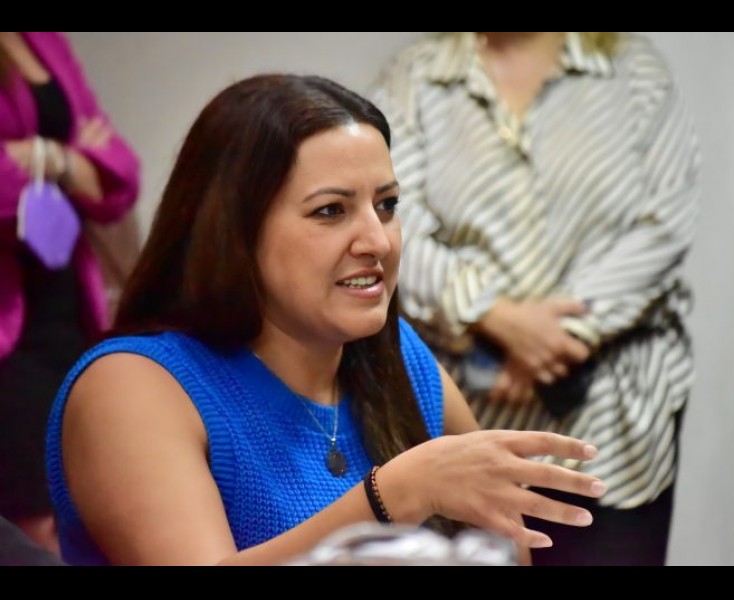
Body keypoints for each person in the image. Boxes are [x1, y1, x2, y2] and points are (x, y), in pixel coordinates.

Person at [44, 73, 607, 566]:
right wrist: (391, 497)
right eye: (331, 211)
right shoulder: (130, 387)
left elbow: (504, 551)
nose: (377, 240)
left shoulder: (401, 356)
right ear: (233, 232)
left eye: (386, 205)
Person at [370, 32, 700, 566]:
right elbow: (388, 217)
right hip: (469, 410)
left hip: (614, 417)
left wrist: (557, 338)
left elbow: (664, 225)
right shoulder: (413, 79)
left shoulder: (635, 72)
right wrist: (494, 317)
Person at [0, 32, 140, 554]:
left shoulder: (42, 38)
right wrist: (71, 162)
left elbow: (119, 177)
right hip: (9, 340)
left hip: (70, 305)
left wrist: (44, 157)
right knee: (38, 531)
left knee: (101, 502)